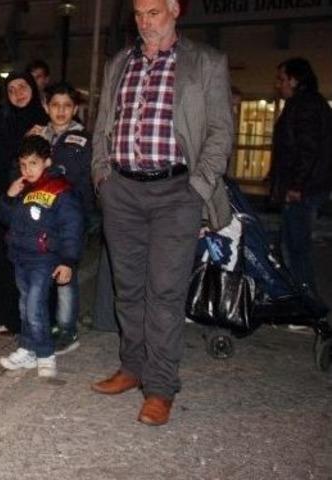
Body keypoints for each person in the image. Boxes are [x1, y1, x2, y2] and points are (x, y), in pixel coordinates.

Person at [90, 0, 233, 426]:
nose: (144, 21)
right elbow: (103, 125)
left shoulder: (206, 62)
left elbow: (221, 130)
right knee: (127, 288)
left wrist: (198, 187)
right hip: (123, 191)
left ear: (174, 10)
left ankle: (160, 387)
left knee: (165, 293)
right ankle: (132, 368)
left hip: (176, 193)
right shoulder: (120, 62)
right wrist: (102, 176)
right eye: (138, 13)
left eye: (153, 12)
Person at [0, 135, 84, 377]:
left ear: (47, 162)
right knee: (25, 306)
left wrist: (68, 260)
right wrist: (9, 197)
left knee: (35, 305)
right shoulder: (23, 187)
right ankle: (28, 348)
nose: (27, 170)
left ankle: (45, 353)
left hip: (44, 258)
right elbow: (6, 219)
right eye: (23, 164)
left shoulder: (60, 190)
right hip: (20, 256)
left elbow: (72, 228)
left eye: (33, 163)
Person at [0, 72, 48, 333]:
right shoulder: (1, 120)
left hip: (33, 200)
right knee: (0, 258)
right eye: (11, 89)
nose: (18, 93)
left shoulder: (44, 121)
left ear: (32, 88)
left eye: (22, 87)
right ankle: (1, 315)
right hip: (3, 198)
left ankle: (26, 321)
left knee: (27, 260)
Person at [35, 81, 94, 354]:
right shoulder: (38, 135)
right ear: (46, 106)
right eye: (55, 105)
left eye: (67, 106)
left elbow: (65, 172)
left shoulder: (81, 139)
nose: (60, 111)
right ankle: (47, 323)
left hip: (69, 216)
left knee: (65, 274)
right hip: (41, 215)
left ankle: (68, 329)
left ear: (75, 108)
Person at [269, 58, 332, 295]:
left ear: (295, 80)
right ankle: (301, 299)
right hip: (309, 187)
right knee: (294, 246)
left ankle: (302, 302)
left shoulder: (304, 106)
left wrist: (296, 185)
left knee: (295, 248)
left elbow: (307, 149)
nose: (278, 85)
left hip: (302, 190)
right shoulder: (312, 104)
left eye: (282, 79)